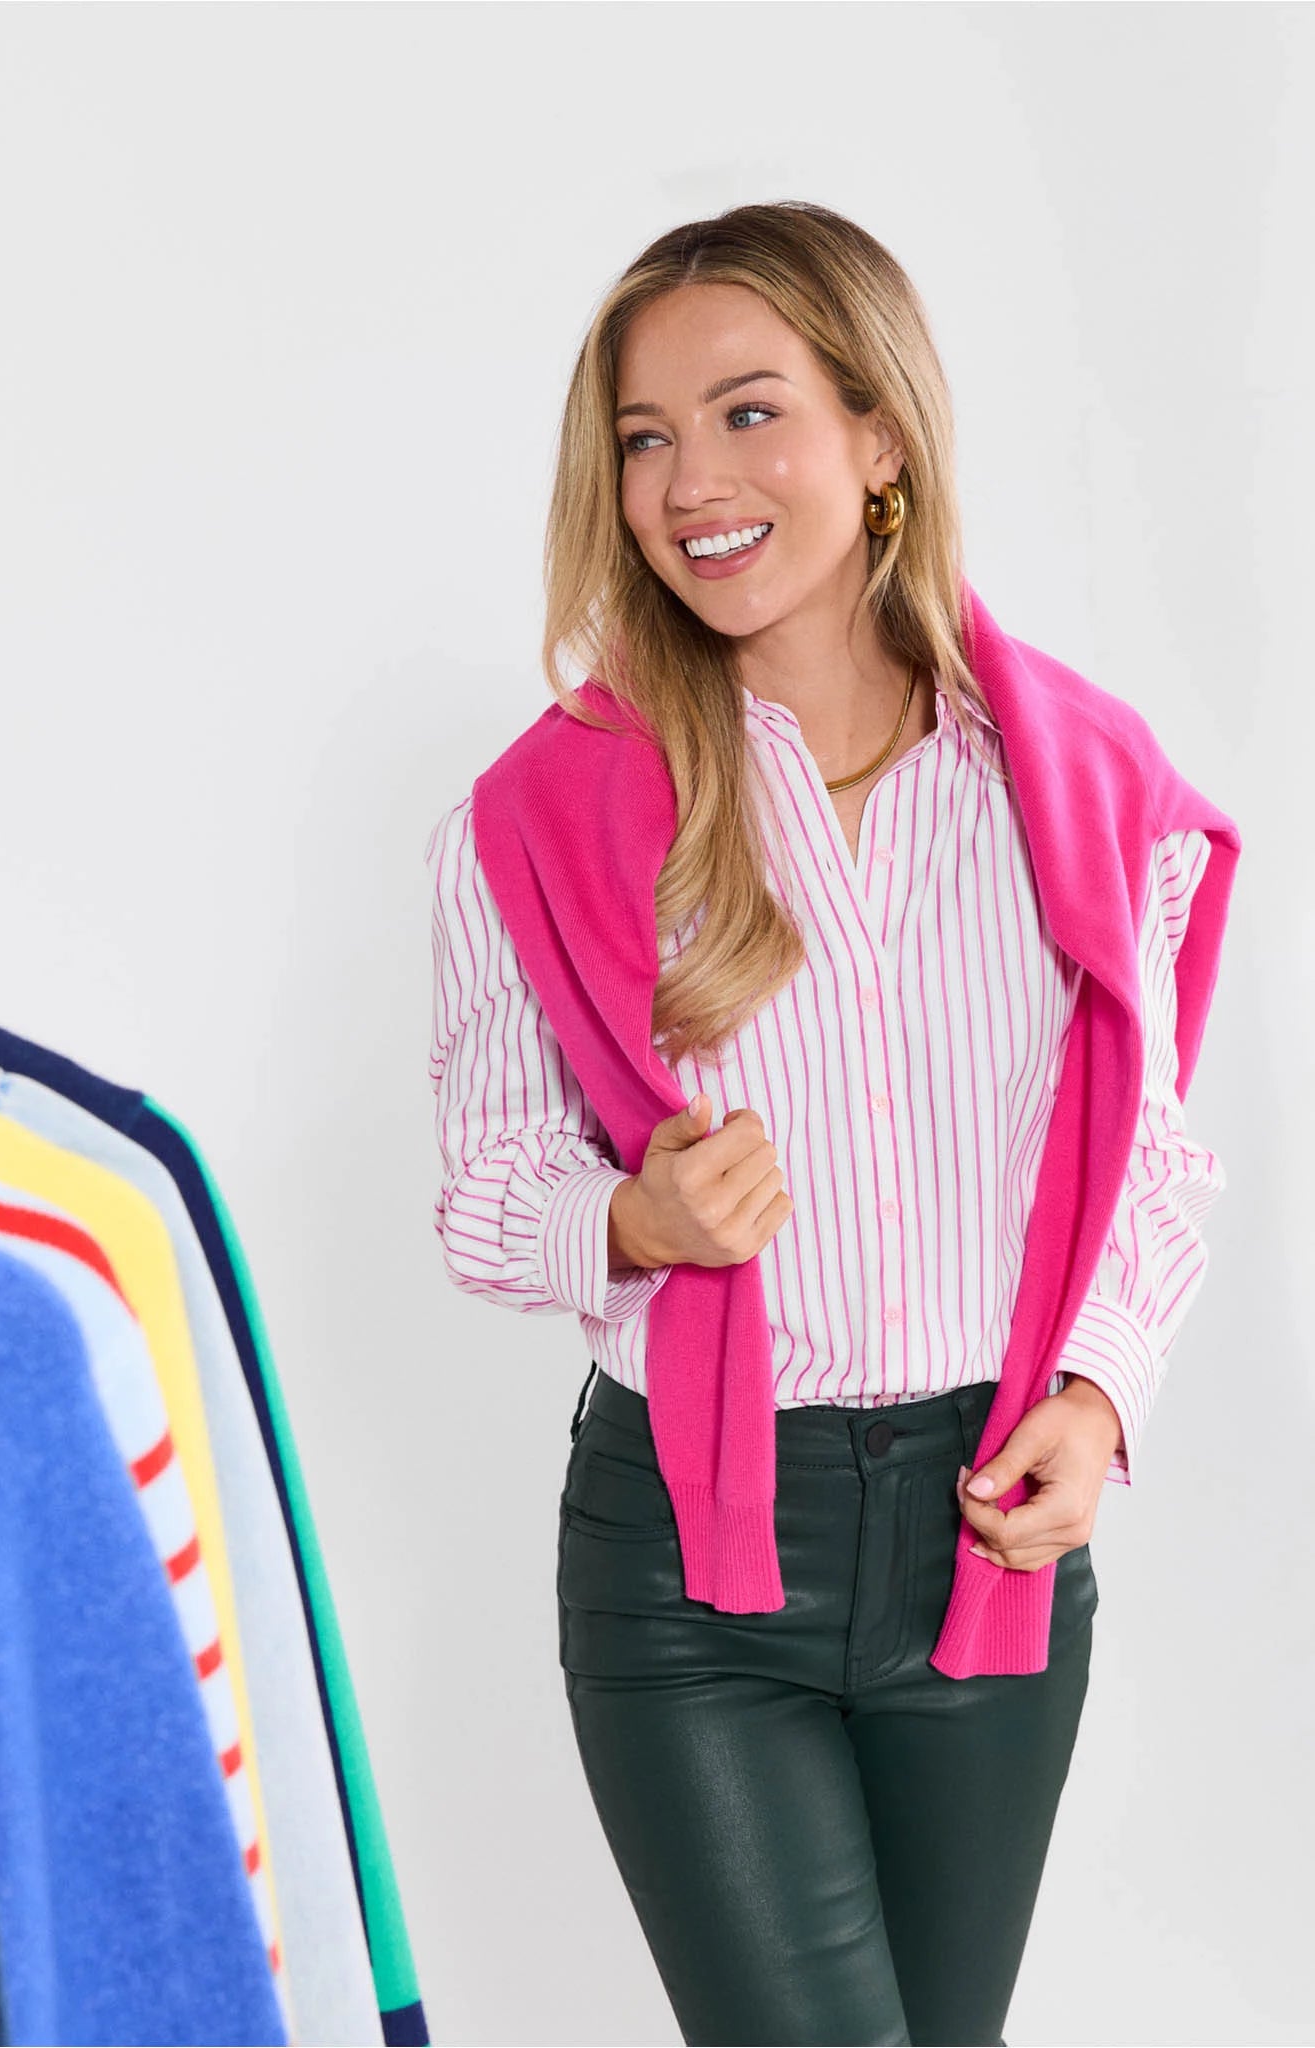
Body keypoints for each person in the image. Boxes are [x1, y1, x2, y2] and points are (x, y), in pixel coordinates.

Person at [423, 202, 1240, 2047]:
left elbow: (1157, 1158)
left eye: (747, 413)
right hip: (689, 1569)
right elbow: (481, 1194)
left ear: (878, 437)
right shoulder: (540, 814)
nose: (688, 481)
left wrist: (1101, 1401)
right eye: (643, 439)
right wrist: (633, 1222)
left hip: (992, 1533)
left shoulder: (1087, 789)